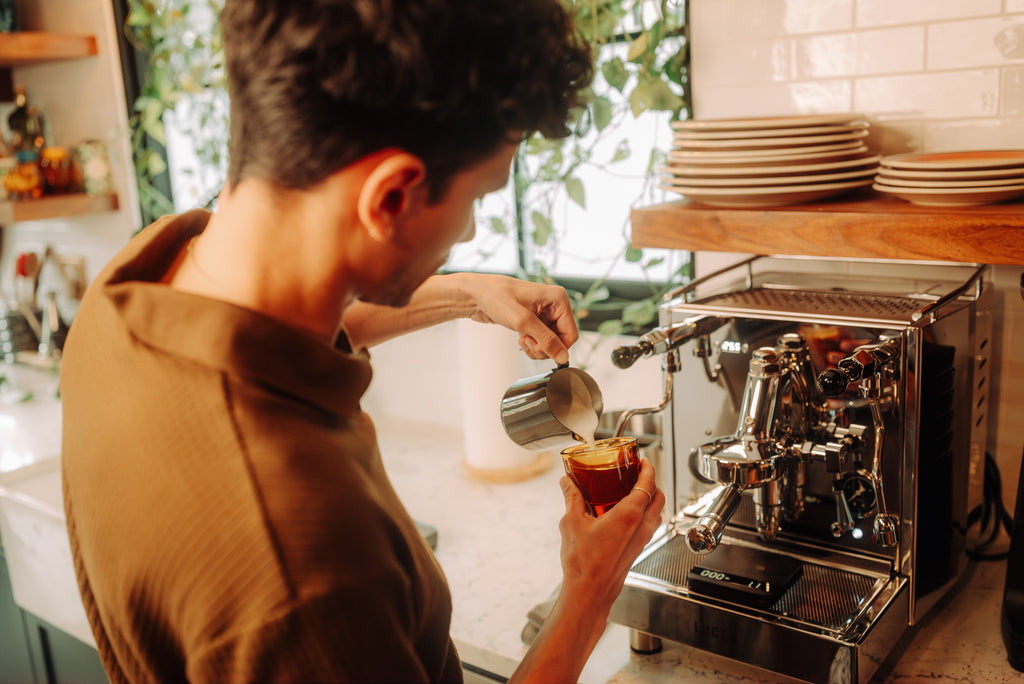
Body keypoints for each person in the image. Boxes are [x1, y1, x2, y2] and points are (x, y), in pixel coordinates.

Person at [60, 1, 666, 682]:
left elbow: (291, 328)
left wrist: (469, 293)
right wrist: (588, 589)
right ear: (390, 197)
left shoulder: (131, 289)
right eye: (477, 196)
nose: (469, 231)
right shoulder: (306, 569)